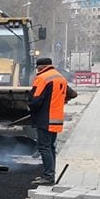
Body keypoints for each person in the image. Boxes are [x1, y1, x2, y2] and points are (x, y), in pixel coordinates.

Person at [29, 57, 77, 186]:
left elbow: (35, 100)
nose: (37, 70)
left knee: (44, 147)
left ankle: (48, 177)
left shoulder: (42, 78)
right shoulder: (59, 77)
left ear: (41, 67)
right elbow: (73, 94)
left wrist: (31, 109)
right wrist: (62, 100)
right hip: (56, 118)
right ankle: (50, 174)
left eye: (37, 68)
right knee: (50, 147)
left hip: (44, 118)